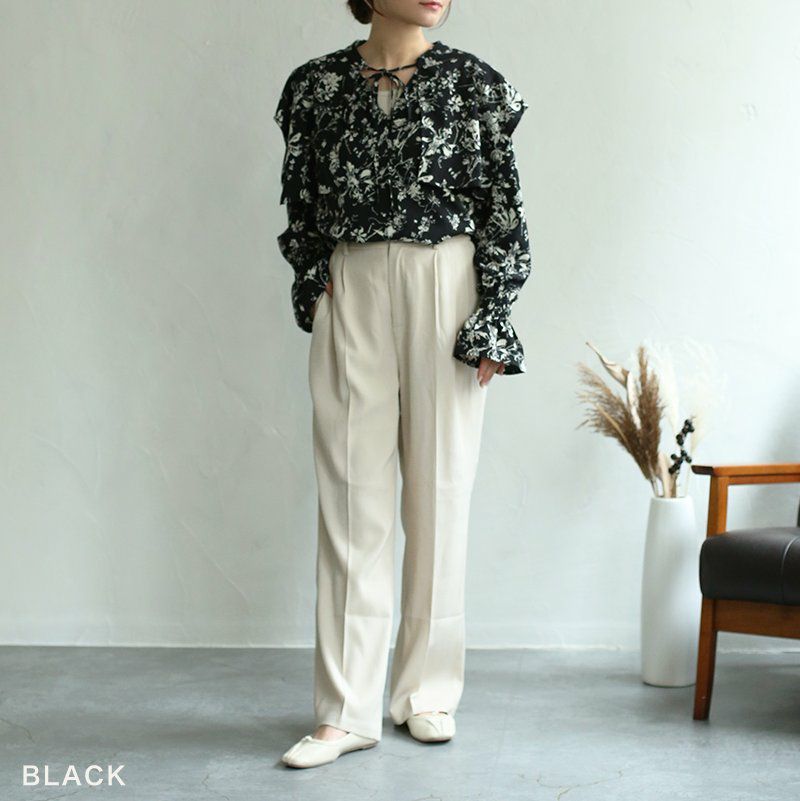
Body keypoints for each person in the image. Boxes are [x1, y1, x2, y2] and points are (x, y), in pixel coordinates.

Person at [274, 0, 532, 769]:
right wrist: (314, 280)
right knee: (351, 495)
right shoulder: (314, 87)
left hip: (445, 282)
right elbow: (301, 201)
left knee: (440, 491)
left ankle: (426, 691)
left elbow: (503, 207)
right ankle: (345, 708)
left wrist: (493, 314)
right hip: (351, 278)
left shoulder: (476, 84)